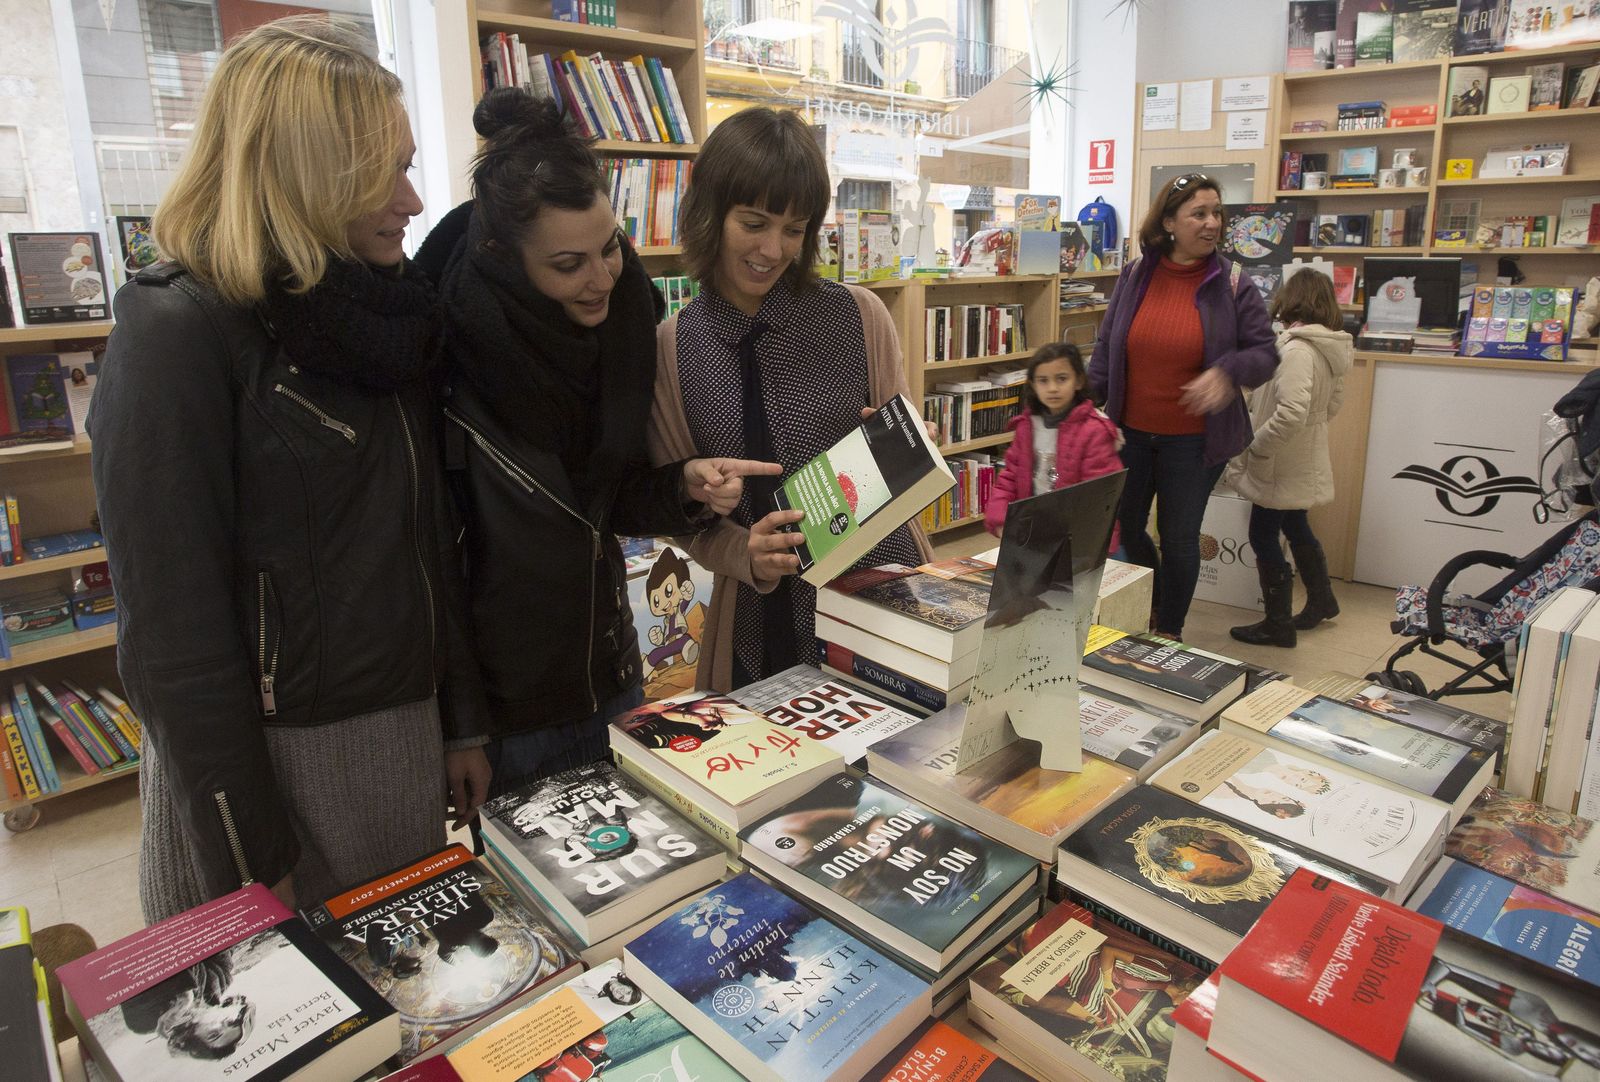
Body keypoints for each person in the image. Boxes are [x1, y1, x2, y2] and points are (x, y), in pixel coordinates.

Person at [89, 16, 490, 923]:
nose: (413, 201)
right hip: (260, 772)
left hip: (395, 741)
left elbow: (427, 542)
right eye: (384, 174)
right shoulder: (177, 331)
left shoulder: (388, 317)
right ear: (307, 174)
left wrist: (458, 720)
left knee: (407, 997)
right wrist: (248, 854)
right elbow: (173, 637)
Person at [415, 89, 774, 796]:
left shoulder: (625, 333)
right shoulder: (447, 364)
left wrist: (682, 485)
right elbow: (435, 568)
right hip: (508, 710)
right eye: (567, 264)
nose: (602, 277)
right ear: (504, 259)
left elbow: (603, 503)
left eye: (610, 247)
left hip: (610, 673)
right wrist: (463, 728)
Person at [648, 106, 933, 691]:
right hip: (758, 618)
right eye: (754, 223)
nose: (773, 250)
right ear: (710, 214)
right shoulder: (674, 347)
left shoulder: (858, 316)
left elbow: (908, 455)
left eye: (795, 229)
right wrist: (742, 552)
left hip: (879, 596)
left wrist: (910, 449)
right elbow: (676, 510)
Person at [1088, 173, 1277, 640]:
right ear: (1169, 222)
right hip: (1130, 434)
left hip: (1195, 442)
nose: (1212, 223)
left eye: (1217, 213)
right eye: (1199, 213)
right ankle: (1151, 603)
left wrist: (1228, 371)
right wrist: (1083, 403)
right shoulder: (1135, 275)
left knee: (1178, 538)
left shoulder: (1233, 282)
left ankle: (1170, 629)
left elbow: (1264, 353)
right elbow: (1108, 347)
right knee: (1125, 527)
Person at [1224, 269, 1352, 647]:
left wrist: (1259, 446)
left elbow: (1291, 412)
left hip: (1280, 458)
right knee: (1296, 524)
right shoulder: (1329, 347)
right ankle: (1322, 599)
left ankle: (1277, 623)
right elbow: (1331, 405)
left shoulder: (1296, 349)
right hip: (1303, 454)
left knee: (1262, 533)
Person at [984, 341, 1123, 547]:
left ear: (1078, 381)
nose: (1052, 388)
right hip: (1033, 532)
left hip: (1079, 538)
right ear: (1033, 385)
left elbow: (1099, 496)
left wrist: (1083, 542)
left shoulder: (1094, 430)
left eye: (1062, 379)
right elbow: (1010, 478)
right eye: (1043, 380)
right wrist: (1001, 518)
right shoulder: (1027, 426)